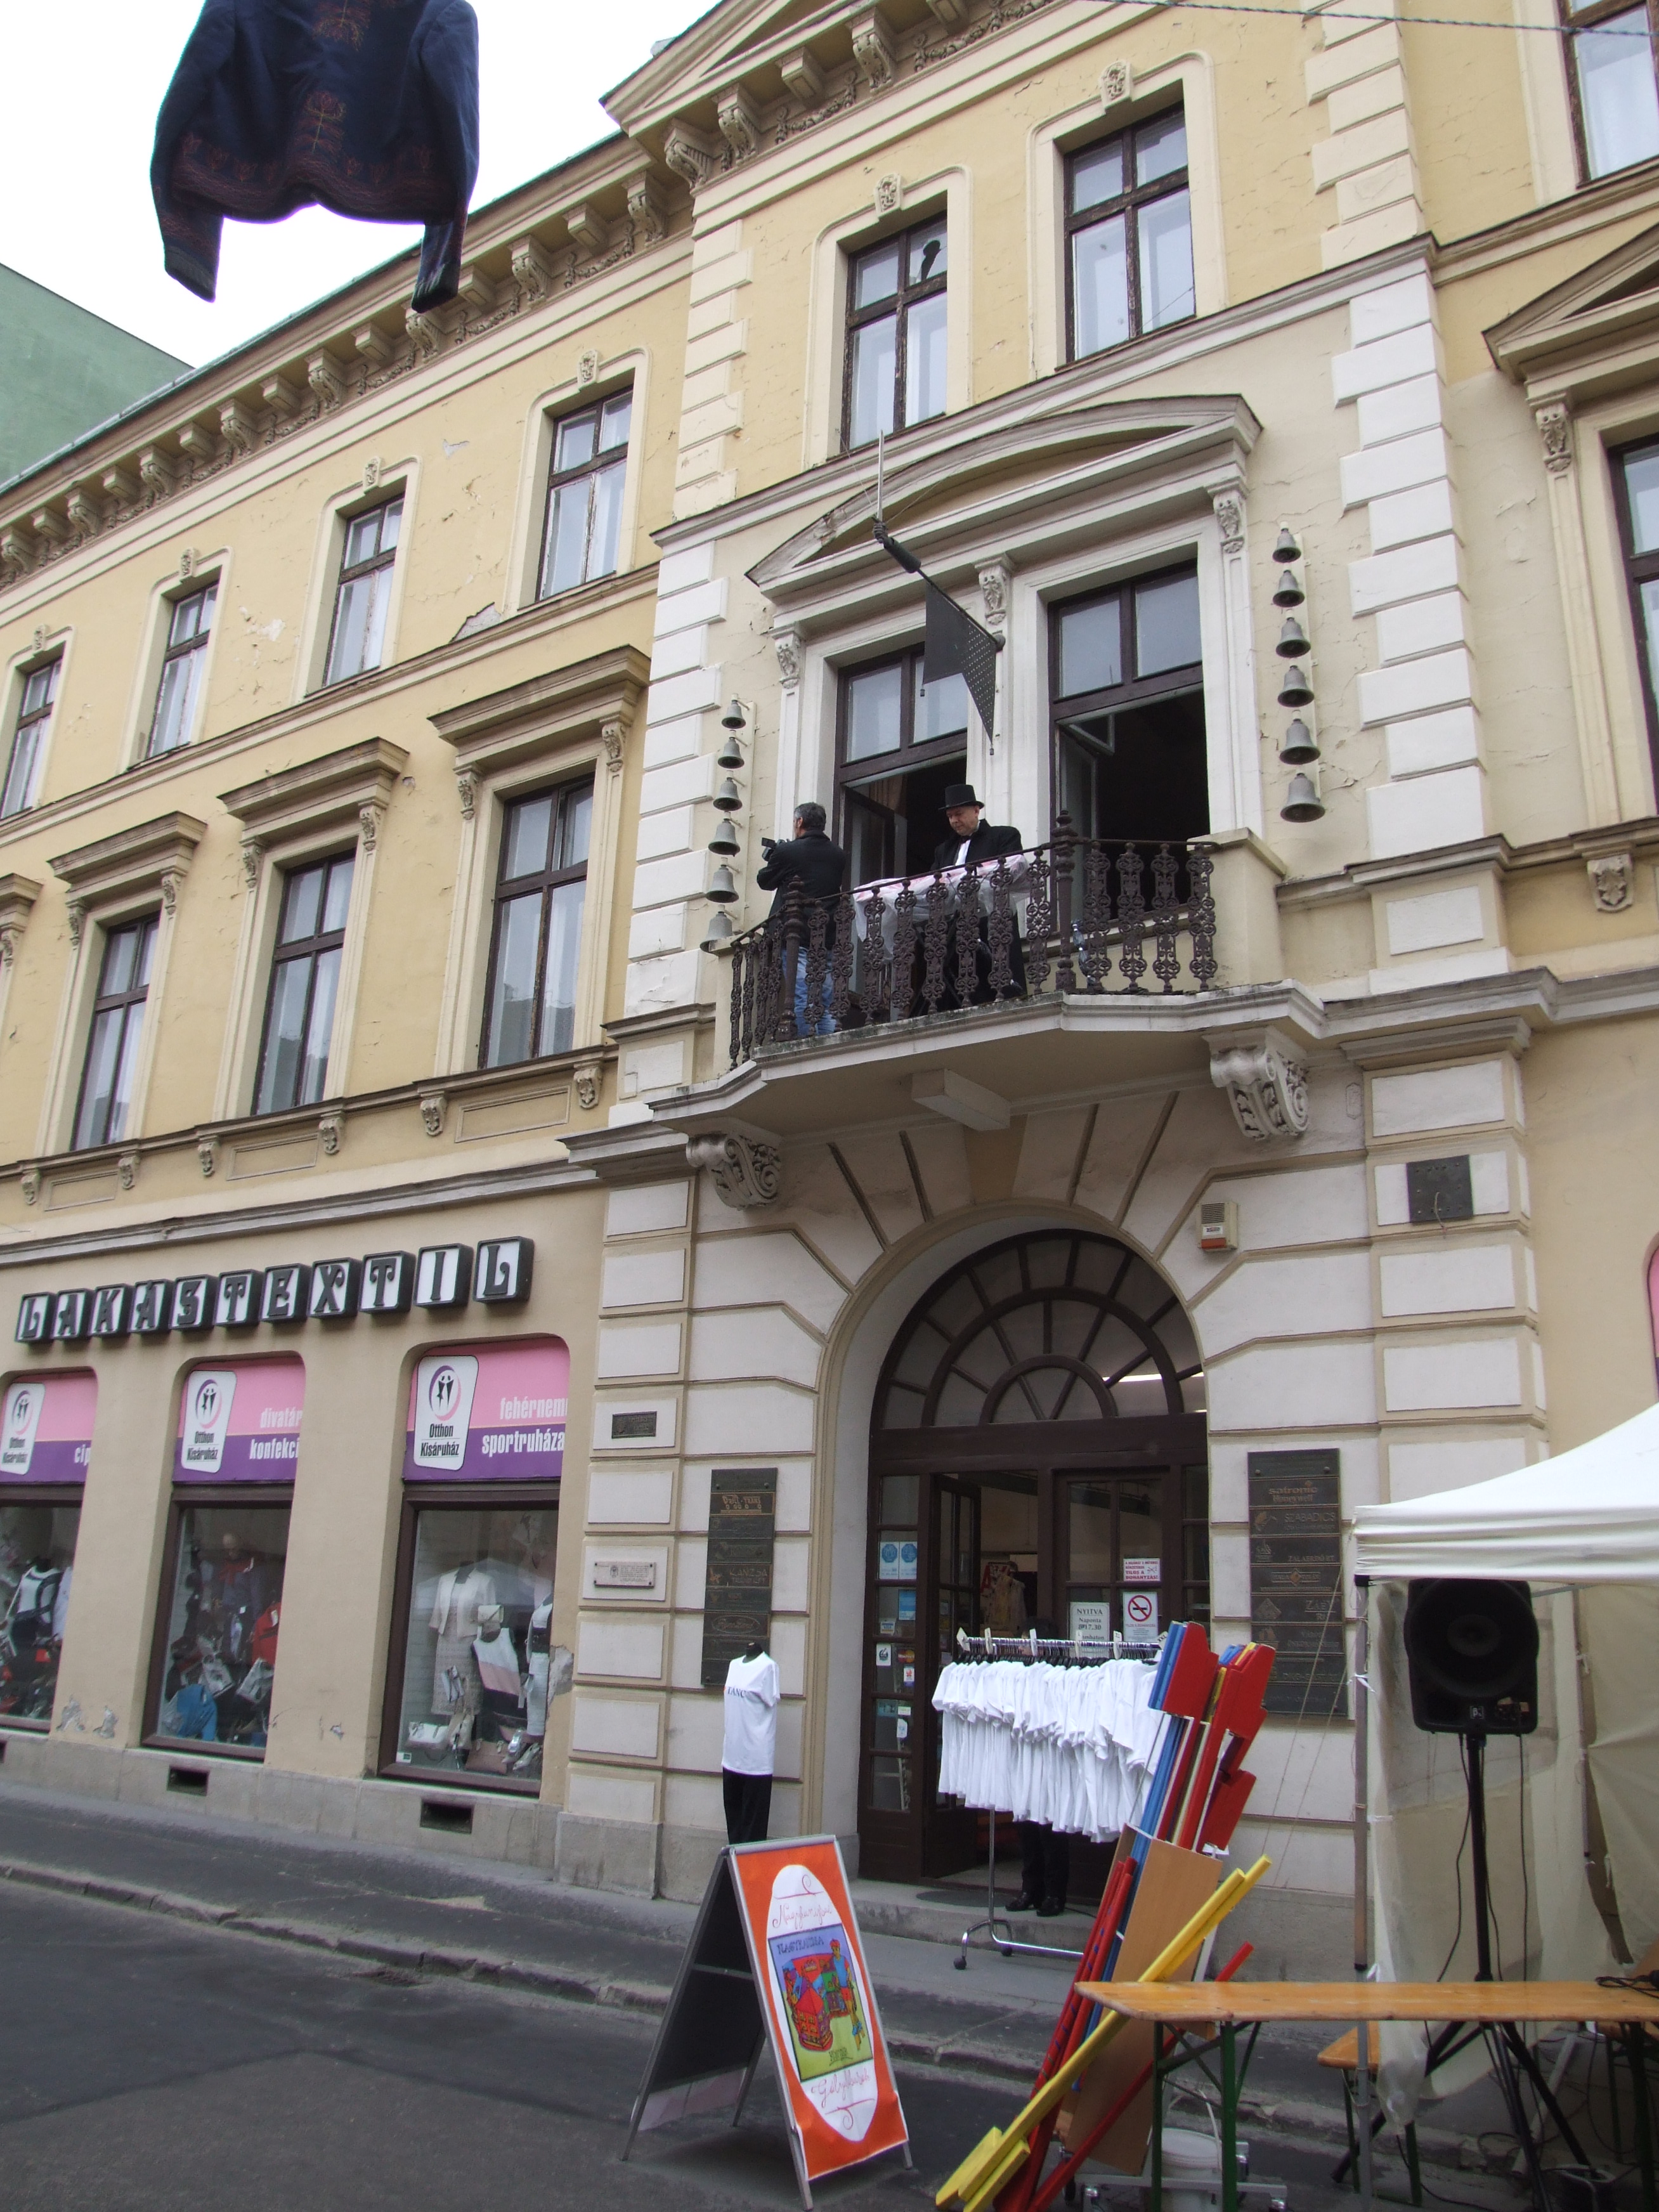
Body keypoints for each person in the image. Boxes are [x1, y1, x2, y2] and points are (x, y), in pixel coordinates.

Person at [930, 784, 1026, 1006]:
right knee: (960, 988)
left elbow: (1012, 871)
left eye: (959, 814)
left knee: (998, 984)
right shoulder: (943, 850)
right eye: (950, 816)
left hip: (992, 923)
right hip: (956, 929)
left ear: (976, 810)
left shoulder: (1003, 836)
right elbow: (934, 886)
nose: (954, 821)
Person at [757, 803, 846, 1035]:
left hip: (796, 935)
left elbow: (764, 881)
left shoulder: (789, 852)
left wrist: (777, 856)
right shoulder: (838, 855)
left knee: (802, 996)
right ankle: (827, 1043)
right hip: (826, 934)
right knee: (825, 999)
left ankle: (810, 1043)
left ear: (799, 822)